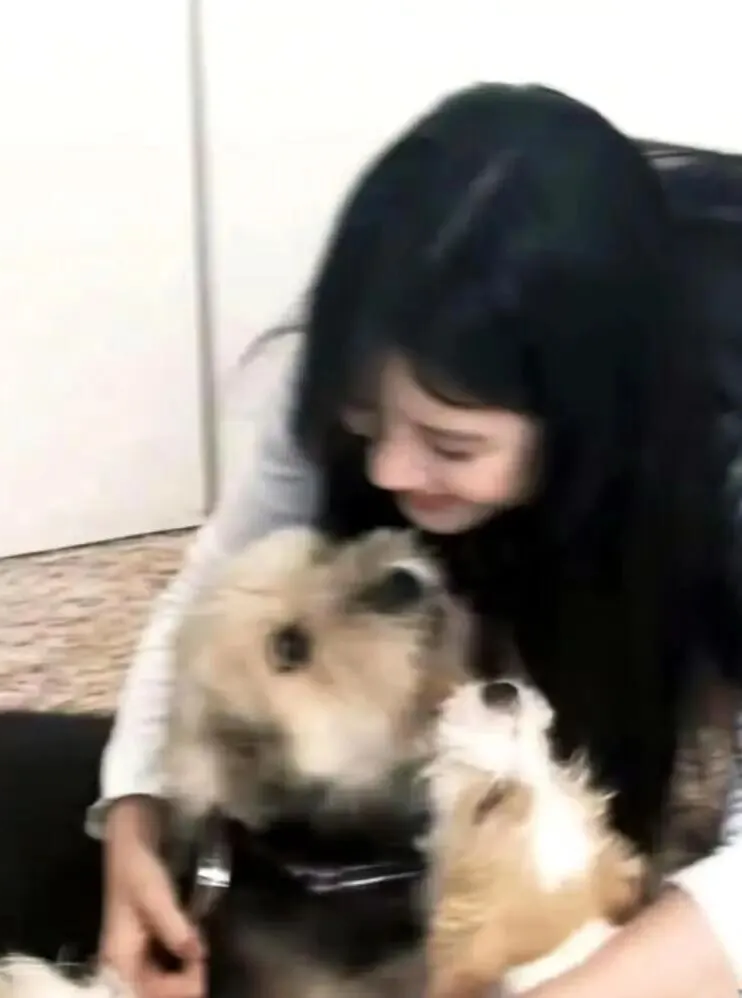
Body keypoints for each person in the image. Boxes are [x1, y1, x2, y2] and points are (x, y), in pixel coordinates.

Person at [90, 82, 742, 998]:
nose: (390, 468)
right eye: (365, 418)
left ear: (588, 422)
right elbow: (219, 580)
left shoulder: (715, 454)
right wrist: (133, 818)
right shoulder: (367, 359)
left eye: (450, 443)